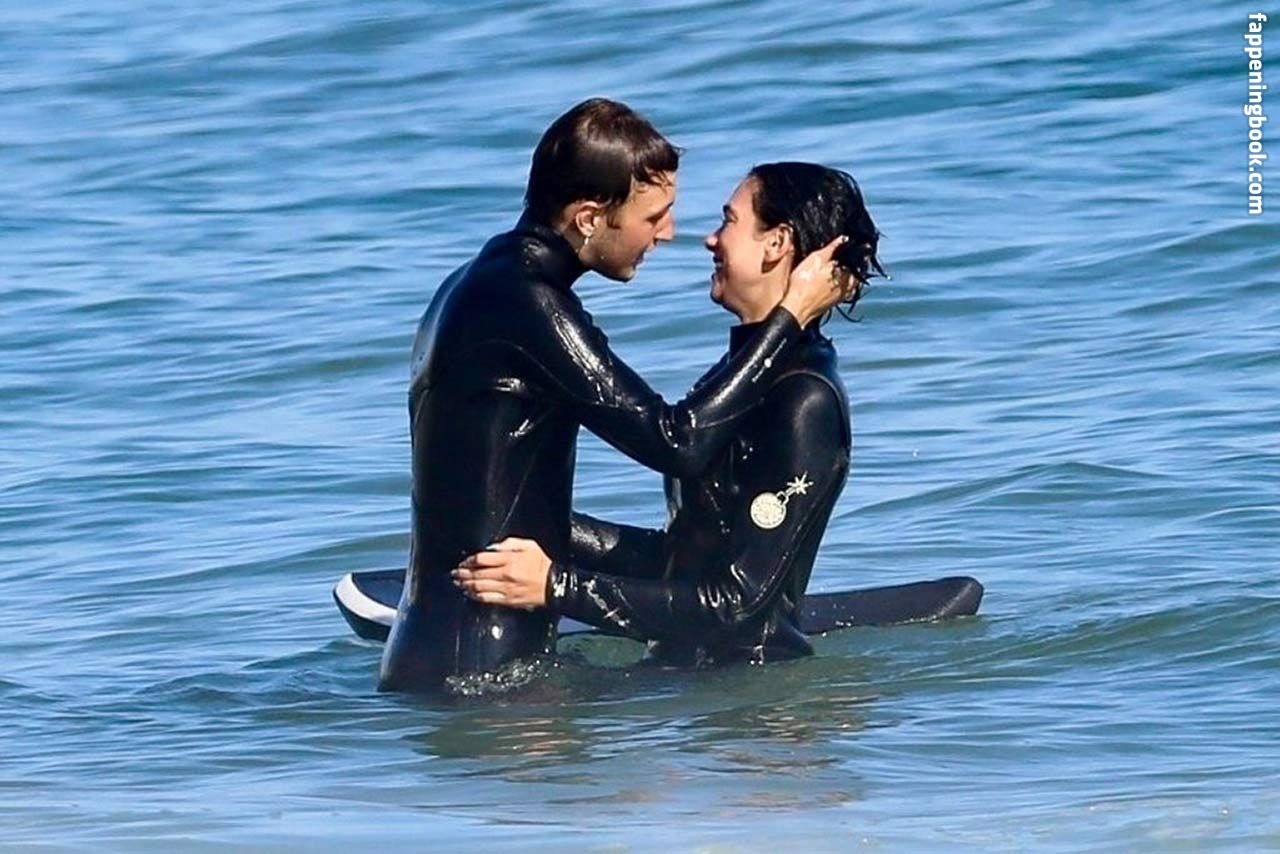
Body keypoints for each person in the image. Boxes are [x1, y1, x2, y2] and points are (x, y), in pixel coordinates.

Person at [378, 101, 848, 691]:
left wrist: (564, 576)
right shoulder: (529, 304)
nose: (670, 234)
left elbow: (485, 497)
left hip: (451, 645)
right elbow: (676, 442)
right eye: (654, 216)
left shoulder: (476, 285)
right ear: (588, 218)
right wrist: (789, 316)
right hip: (482, 660)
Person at [452, 162, 884, 666]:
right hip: (689, 683)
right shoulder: (740, 375)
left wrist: (556, 586)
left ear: (776, 243)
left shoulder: (805, 401)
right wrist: (536, 525)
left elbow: (737, 604)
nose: (710, 239)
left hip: (750, 700)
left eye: (728, 221)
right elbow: (681, 561)